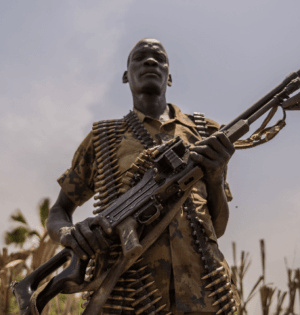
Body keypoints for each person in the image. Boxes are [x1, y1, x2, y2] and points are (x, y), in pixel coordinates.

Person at [46, 38, 240, 315]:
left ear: (169, 76)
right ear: (126, 76)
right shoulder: (103, 138)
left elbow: (217, 228)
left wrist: (216, 176)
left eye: (159, 58)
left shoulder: (206, 131)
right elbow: (58, 211)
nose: (150, 61)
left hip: (207, 292)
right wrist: (70, 234)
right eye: (140, 57)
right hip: (127, 296)